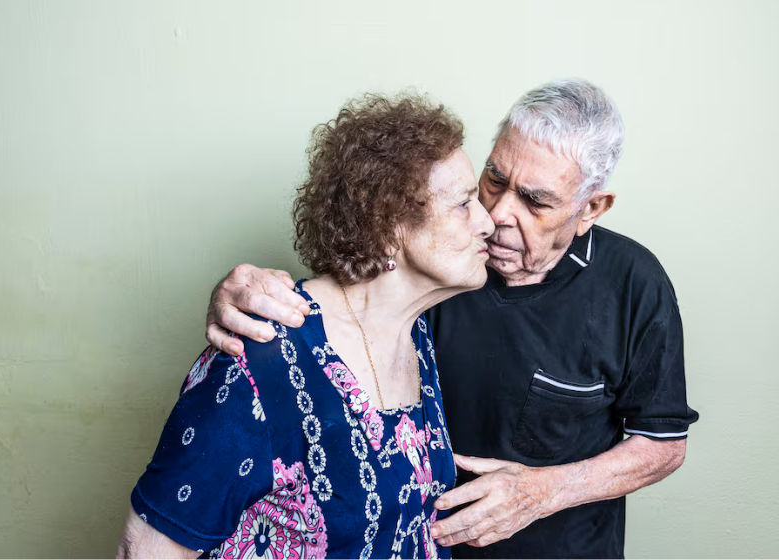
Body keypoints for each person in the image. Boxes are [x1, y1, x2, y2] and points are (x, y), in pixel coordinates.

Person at [204, 79, 699, 559]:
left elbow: (663, 443)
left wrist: (543, 492)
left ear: (591, 207)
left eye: (535, 201)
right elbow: (344, 303)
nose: (498, 213)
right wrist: (246, 293)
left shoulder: (634, 282)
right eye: (495, 180)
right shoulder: (441, 258)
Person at [117, 93, 495, 558]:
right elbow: (145, 550)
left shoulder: (413, 331)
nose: (488, 223)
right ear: (389, 226)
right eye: (464, 204)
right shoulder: (258, 362)